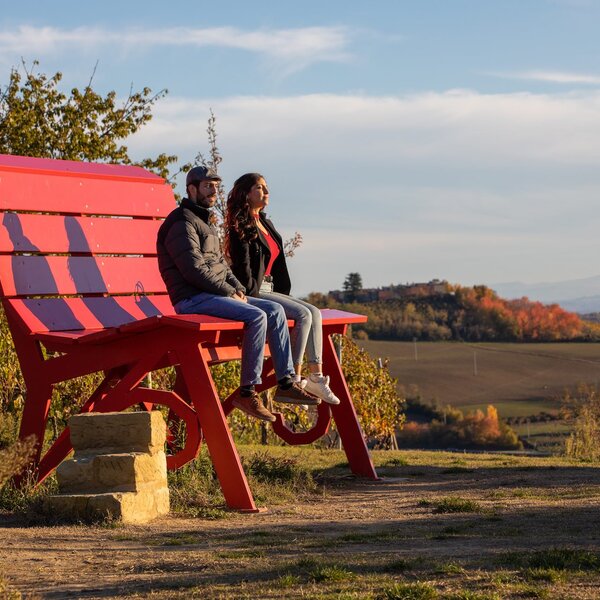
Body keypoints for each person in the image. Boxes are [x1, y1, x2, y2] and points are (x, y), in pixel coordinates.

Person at [156, 166, 321, 423]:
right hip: (192, 298)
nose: (213, 191)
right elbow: (193, 270)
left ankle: (286, 382)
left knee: (274, 311)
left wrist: (239, 288)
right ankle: (247, 391)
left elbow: (221, 265)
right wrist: (229, 291)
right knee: (256, 316)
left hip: (214, 295)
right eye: (207, 186)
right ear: (191, 189)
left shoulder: (205, 222)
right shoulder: (180, 223)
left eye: (215, 185)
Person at [225, 172, 340, 405]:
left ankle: (316, 377)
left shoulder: (266, 223)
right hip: (256, 291)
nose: (266, 192)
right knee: (303, 315)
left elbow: (277, 262)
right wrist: (250, 293)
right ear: (246, 194)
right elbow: (242, 266)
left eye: (266, 187)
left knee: (314, 312)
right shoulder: (240, 226)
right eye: (259, 188)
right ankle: (293, 379)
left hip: (272, 287)